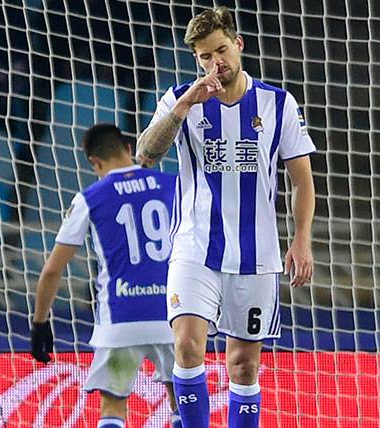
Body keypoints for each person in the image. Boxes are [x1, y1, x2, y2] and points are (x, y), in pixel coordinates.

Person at [136, 7, 315, 428]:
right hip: (195, 248)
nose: (215, 62)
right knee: (187, 347)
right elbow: (145, 155)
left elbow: (302, 181)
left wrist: (301, 238)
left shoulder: (278, 103)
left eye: (220, 50)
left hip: (256, 257)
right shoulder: (181, 99)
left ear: (238, 44)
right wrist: (182, 107)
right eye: (204, 56)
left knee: (244, 367)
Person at [30, 123, 181, 428]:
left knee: (113, 402)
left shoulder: (91, 197)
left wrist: (40, 323)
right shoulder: (173, 185)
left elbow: (51, 270)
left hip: (122, 321)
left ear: (94, 162)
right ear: (129, 149)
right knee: (182, 398)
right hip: (171, 315)